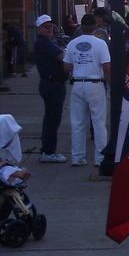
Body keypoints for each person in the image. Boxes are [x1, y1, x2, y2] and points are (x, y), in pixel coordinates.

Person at [64, 14, 111, 167]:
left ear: (80, 26)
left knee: (77, 122)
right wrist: (110, 84)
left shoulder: (72, 43)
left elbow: (66, 67)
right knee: (98, 122)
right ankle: (100, 158)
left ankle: (77, 157)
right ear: (96, 26)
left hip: (78, 83)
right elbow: (106, 67)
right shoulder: (101, 43)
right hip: (95, 83)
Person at [32, 15, 68, 163]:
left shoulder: (48, 42)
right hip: (52, 85)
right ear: (38, 29)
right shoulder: (43, 43)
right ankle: (48, 151)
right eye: (45, 27)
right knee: (52, 120)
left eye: (51, 27)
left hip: (54, 84)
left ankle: (48, 150)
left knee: (52, 118)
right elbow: (62, 56)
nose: (49, 30)